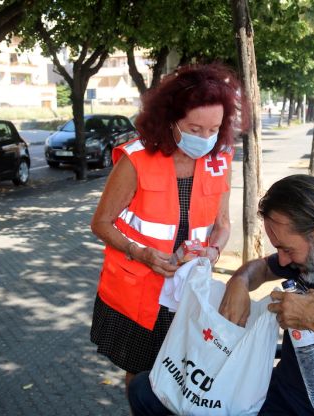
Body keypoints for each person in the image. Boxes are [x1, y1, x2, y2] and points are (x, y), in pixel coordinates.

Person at [128, 174, 314, 416]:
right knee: (145, 389)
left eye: (287, 249)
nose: (282, 261)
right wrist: (239, 282)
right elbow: (261, 268)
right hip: (273, 396)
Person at [90, 64, 242, 395]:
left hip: (190, 291)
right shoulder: (136, 159)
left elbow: (223, 224)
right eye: (194, 128)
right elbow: (100, 223)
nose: (205, 139)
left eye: (214, 129)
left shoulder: (220, 158)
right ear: (170, 119)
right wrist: (140, 252)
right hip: (139, 292)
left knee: (182, 373)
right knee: (142, 374)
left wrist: (214, 250)